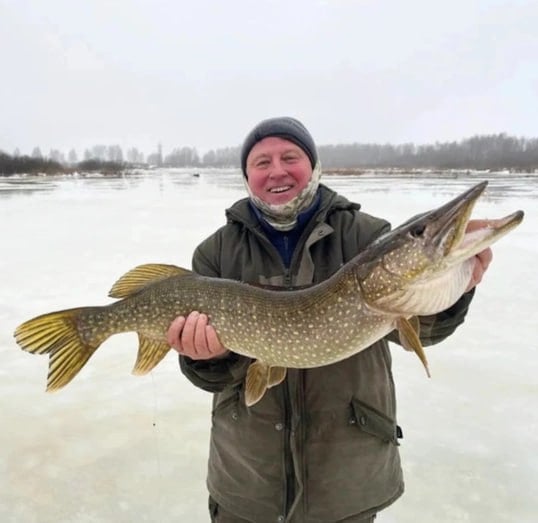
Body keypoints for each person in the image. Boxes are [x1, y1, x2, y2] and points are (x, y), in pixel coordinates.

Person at [167, 117, 492, 523]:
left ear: (314, 165)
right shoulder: (216, 252)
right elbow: (210, 377)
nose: (277, 171)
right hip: (248, 481)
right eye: (261, 162)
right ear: (247, 176)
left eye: (290, 157)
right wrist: (206, 356)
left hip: (346, 482)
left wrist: (452, 292)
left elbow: (425, 330)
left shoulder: (365, 235)